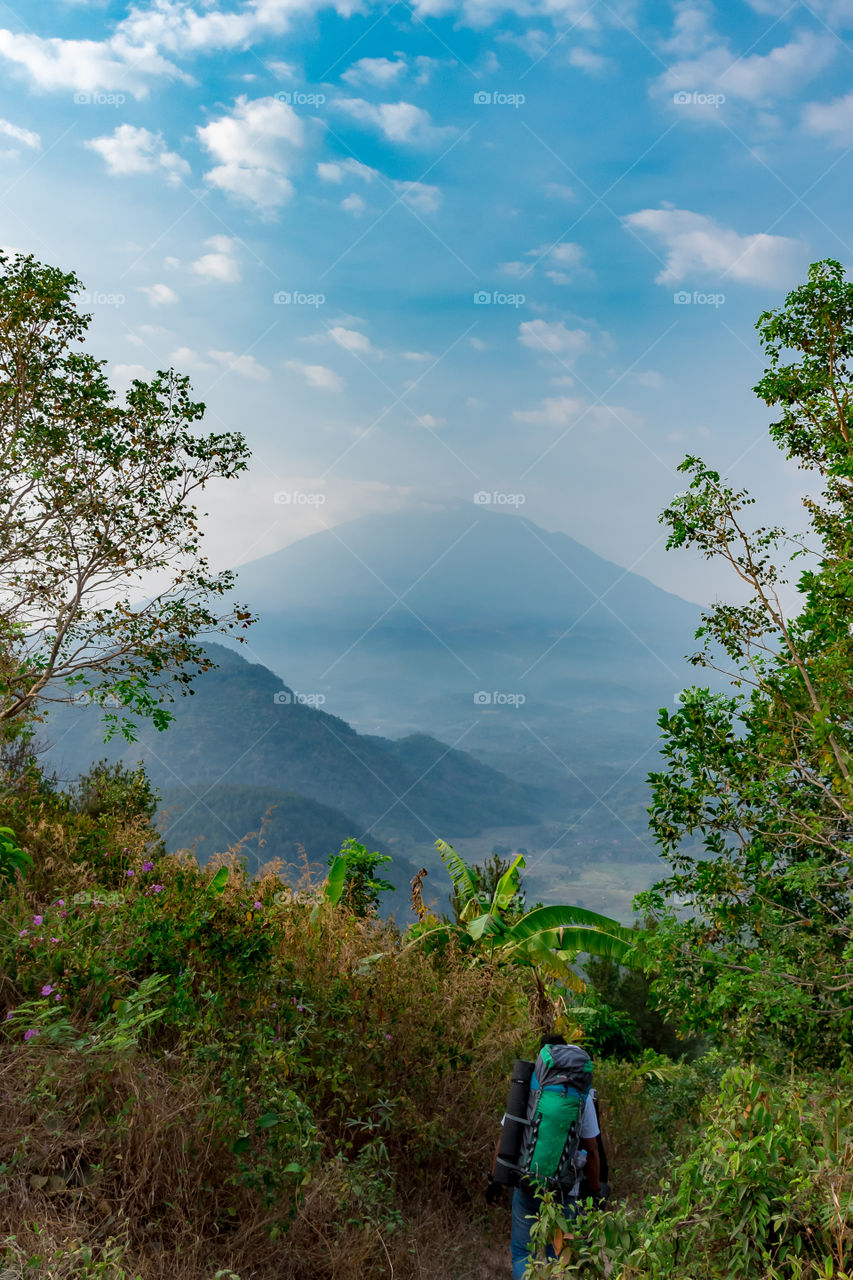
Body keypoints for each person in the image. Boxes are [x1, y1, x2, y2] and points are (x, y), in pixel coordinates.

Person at [488, 1034, 608, 1280]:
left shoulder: (528, 1085)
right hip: (565, 1191)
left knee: (522, 1252)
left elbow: (507, 1134)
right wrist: (595, 1192)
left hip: (527, 1183)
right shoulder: (581, 1093)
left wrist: (496, 1179)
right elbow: (593, 1151)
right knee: (559, 1256)